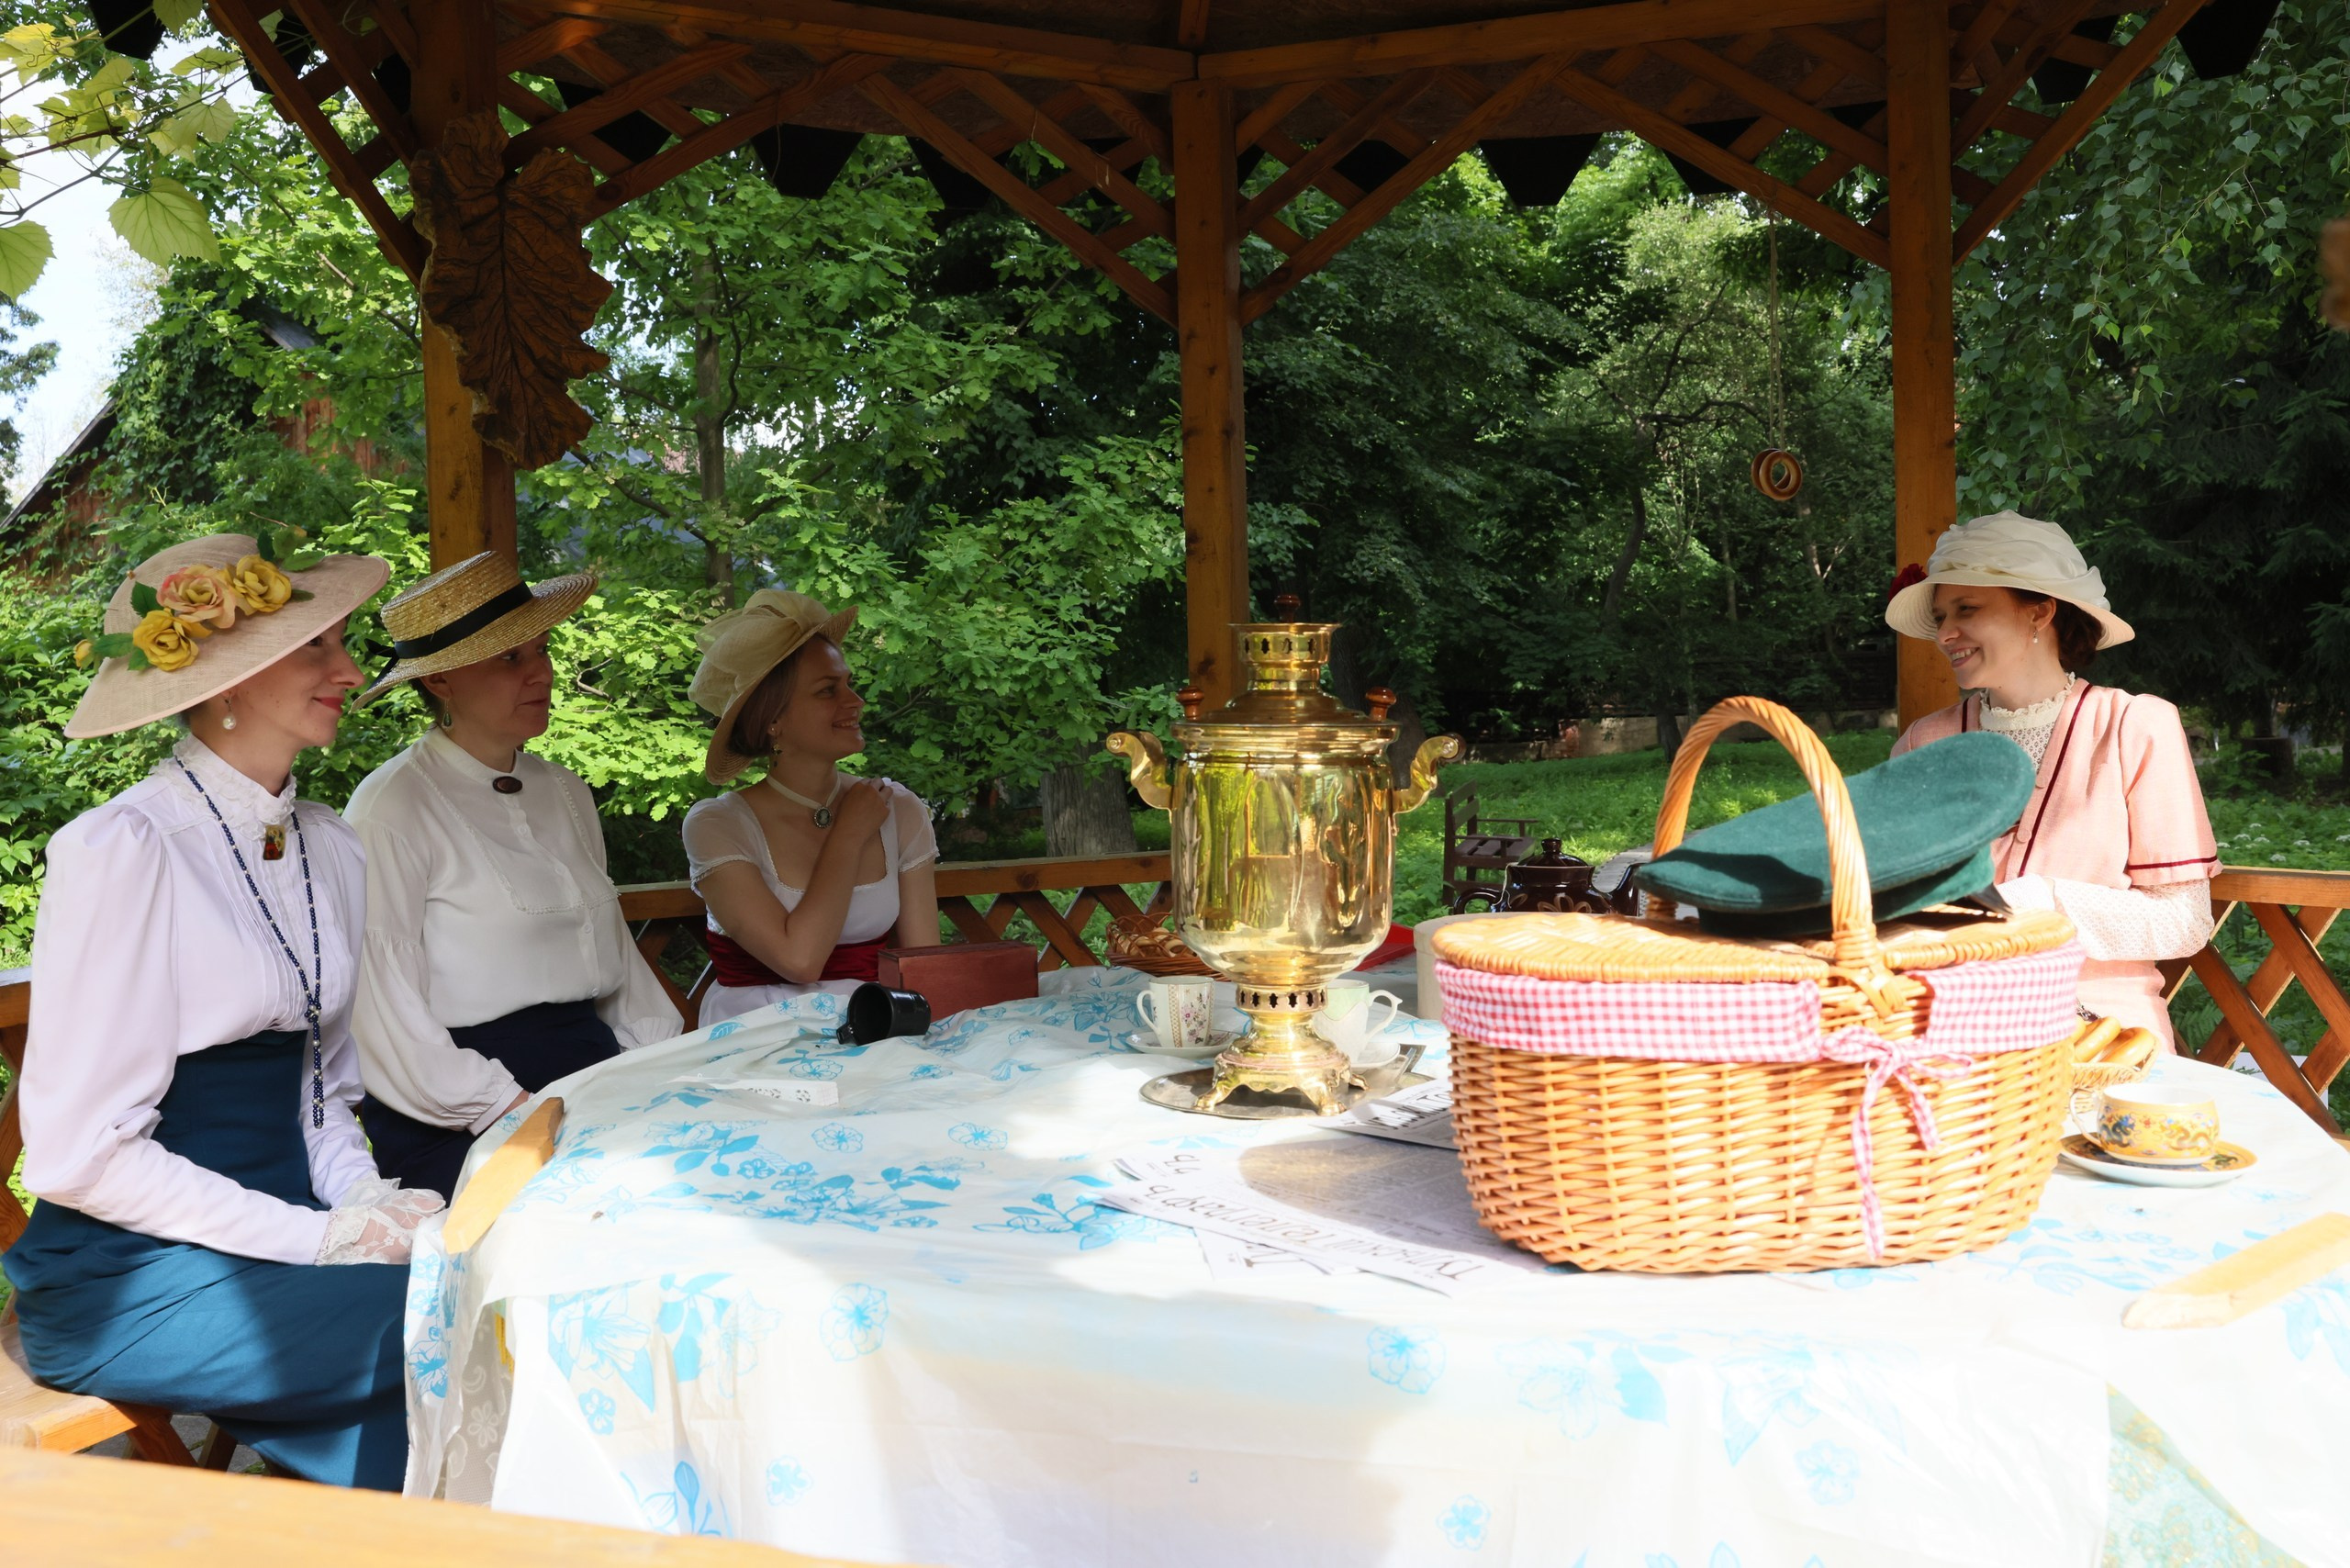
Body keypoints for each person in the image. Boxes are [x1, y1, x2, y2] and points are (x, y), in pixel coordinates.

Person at [5, 532, 435, 1490]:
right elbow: (77, 1155)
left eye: (343, 642)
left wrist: (361, 1201)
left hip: (283, 1233)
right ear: (226, 682)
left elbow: (322, 1097)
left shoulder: (334, 846)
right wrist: (322, 1242)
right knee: (444, 1324)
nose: (351, 670)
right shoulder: (124, 847)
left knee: (475, 1289)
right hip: (131, 1276)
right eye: (318, 647)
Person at [343, 553, 682, 1201]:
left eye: (542, 649)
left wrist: (658, 1069)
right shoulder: (391, 808)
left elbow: (617, 971)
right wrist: (508, 1105)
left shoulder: (567, 793)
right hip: (463, 1114)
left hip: (594, 1083)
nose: (541, 673)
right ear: (440, 680)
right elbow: (381, 1008)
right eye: (508, 659)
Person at [1886, 510, 2218, 1047]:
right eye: (1942, 614)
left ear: (2039, 612)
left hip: (2099, 1039)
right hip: (1947, 1031)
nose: (1945, 633)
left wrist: (2043, 900)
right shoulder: (1925, 744)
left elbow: (2184, 922)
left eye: (1966, 609)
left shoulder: (2134, 726)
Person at [682, 589, 939, 1027]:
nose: (855, 701)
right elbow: (799, 961)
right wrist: (849, 833)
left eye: (848, 683)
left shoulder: (898, 810)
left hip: (876, 1028)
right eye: (828, 690)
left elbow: (924, 970)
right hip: (756, 1037)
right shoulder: (718, 825)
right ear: (772, 720)